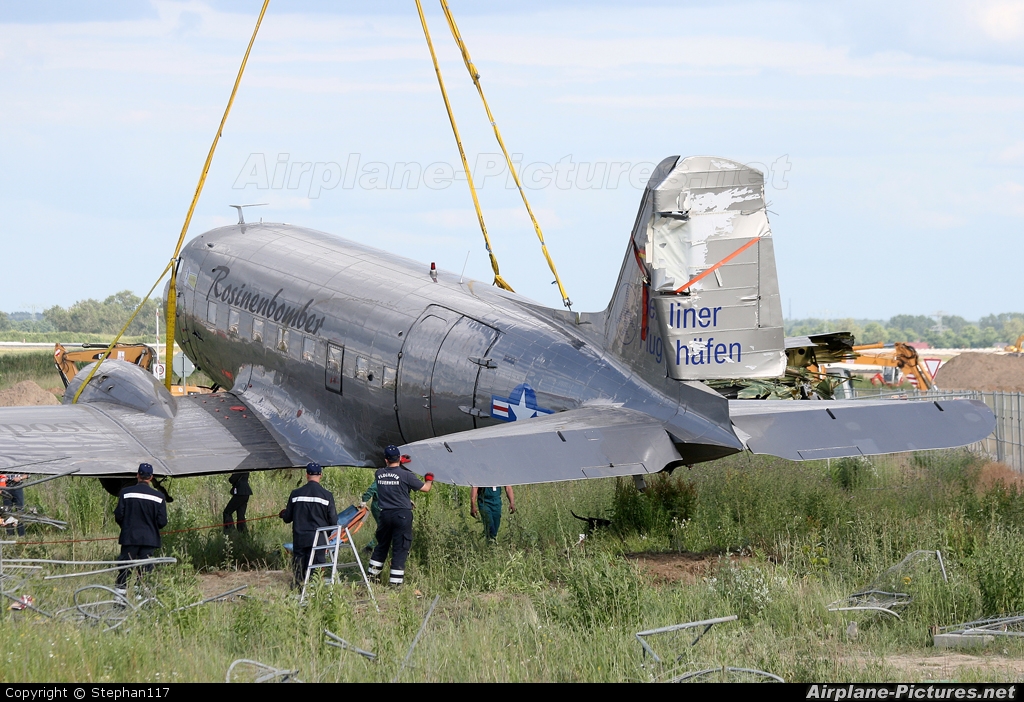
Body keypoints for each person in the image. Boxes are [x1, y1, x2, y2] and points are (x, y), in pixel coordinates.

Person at [367, 446, 433, 587]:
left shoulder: (379, 474)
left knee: (382, 545)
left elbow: (391, 478)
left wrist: (398, 462)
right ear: (399, 458)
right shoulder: (406, 475)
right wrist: (429, 478)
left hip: (384, 515)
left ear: (386, 460)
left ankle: (372, 577)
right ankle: (395, 584)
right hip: (401, 515)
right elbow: (426, 489)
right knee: (400, 547)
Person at [113, 463, 168, 595]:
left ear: (137, 475)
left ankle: (119, 602)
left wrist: (126, 527)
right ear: (151, 477)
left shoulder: (125, 493)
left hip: (129, 538)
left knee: (125, 569)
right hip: (149, 540)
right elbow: (162, 522)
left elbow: (119, 515)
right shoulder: (159, 497)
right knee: (145, 572)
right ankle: (141, 602)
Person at [280, 462, 337, 588]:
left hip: (300, 537)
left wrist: (283, 514)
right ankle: (314, 591)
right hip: (318, 538)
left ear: (307, 475)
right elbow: (333, 521)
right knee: (315, 570)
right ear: (320, 475)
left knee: (299, 565)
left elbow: (287, 518)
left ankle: (298, 588)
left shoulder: (296, 494)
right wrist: (326, 537)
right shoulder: (327, 496)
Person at [359, 479, 381, 552]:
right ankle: (370, 547)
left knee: (384, 528)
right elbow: (372, 489)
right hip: (379, 507)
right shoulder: (382, 476)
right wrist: (364, 500)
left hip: (385, 507)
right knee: (384, 528)